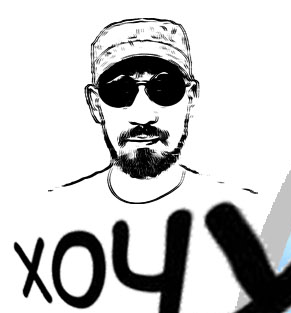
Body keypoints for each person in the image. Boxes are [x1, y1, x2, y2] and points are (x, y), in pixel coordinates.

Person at [54, 17, 258, 208]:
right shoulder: (50, 214)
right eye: (119, 91)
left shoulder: (250, 214)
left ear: (191, 97)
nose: (143, 116)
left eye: (164, 89)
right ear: (95, 103)